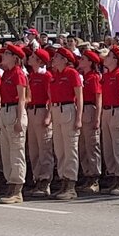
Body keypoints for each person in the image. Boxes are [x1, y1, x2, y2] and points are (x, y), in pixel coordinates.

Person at [48, 45, 83, 201]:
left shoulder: (72, 73)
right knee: (59, 148)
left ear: (64, 59)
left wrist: (79, 118)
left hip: (68, 109)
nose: (54, 59)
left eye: (57, 57)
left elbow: (79, 97)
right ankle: (63, 179)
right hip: (56, 109)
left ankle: (70, 184)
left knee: (70, 148)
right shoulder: (55, 74)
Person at [0, 44, 29, 204]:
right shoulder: (6, 73)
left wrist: (18, 119)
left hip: (14, 111)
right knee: (6, 151)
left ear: (15, 58)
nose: (3, 56)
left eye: (7, 54)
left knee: (16, 151)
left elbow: (22, 98)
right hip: (5, 110)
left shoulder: (18, 73)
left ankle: (17, 188)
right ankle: (10, 183)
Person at [99, 46, 119, 196]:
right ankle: (113, 177)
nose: (105, 58)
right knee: (108, 148)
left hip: (116, 111)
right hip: (106, 111)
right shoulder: (106, 75)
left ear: (115, 60)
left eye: (109, 56)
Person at [25, 47, 54, 197]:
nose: (29, 58)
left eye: (33, 56)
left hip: (42, 111)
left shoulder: (46, 76)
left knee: (44, 148)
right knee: (34, 149)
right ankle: (37, 178)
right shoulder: (31, 76)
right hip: (31, 111)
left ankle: (45, 180)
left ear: (40, 61)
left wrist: (48, 116)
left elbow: (51, 97)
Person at [77, 47, 103, 193]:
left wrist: (97, 118)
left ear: (90, 62)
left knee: (92, 145)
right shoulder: (83, 76)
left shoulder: (93, 77)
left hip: (90, 110)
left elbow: (98, 98)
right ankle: (87, 174)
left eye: (83, 59)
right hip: (81, 110)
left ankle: (94, 177)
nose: (80, 61)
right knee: (83, 146)